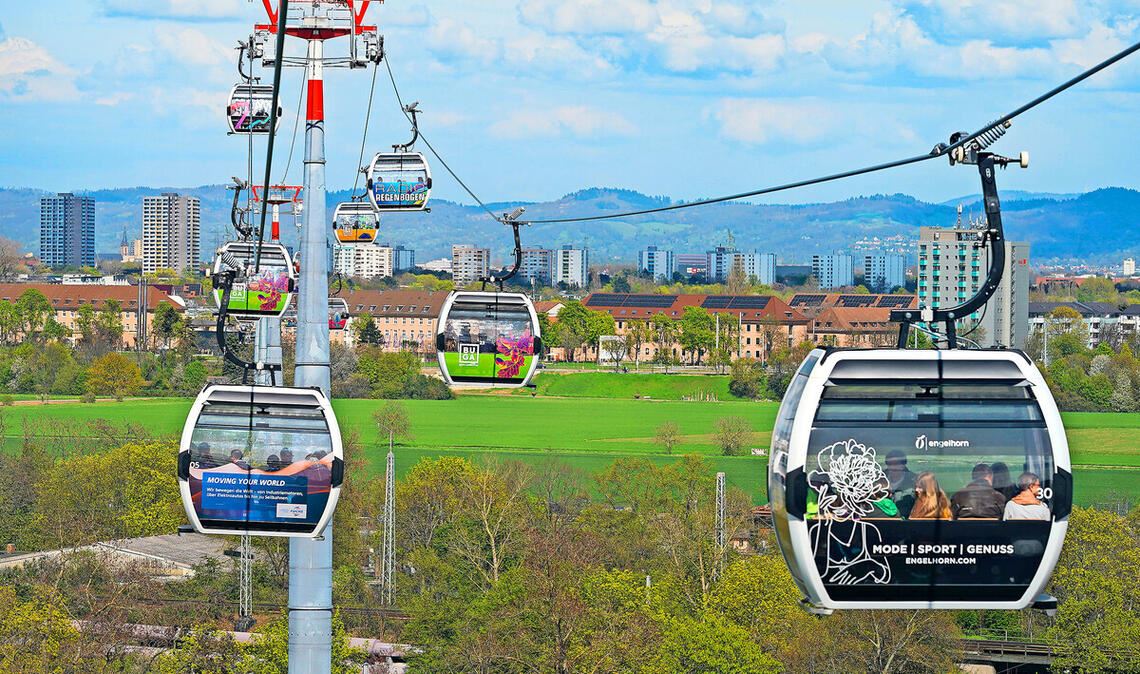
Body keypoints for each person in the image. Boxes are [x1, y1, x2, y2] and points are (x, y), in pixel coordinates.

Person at [885, 450, 917, 517]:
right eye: (890, 463)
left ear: (903, 465)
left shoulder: (914, 481)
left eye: (896, 463)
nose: (893, 466)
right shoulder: (878, 479)